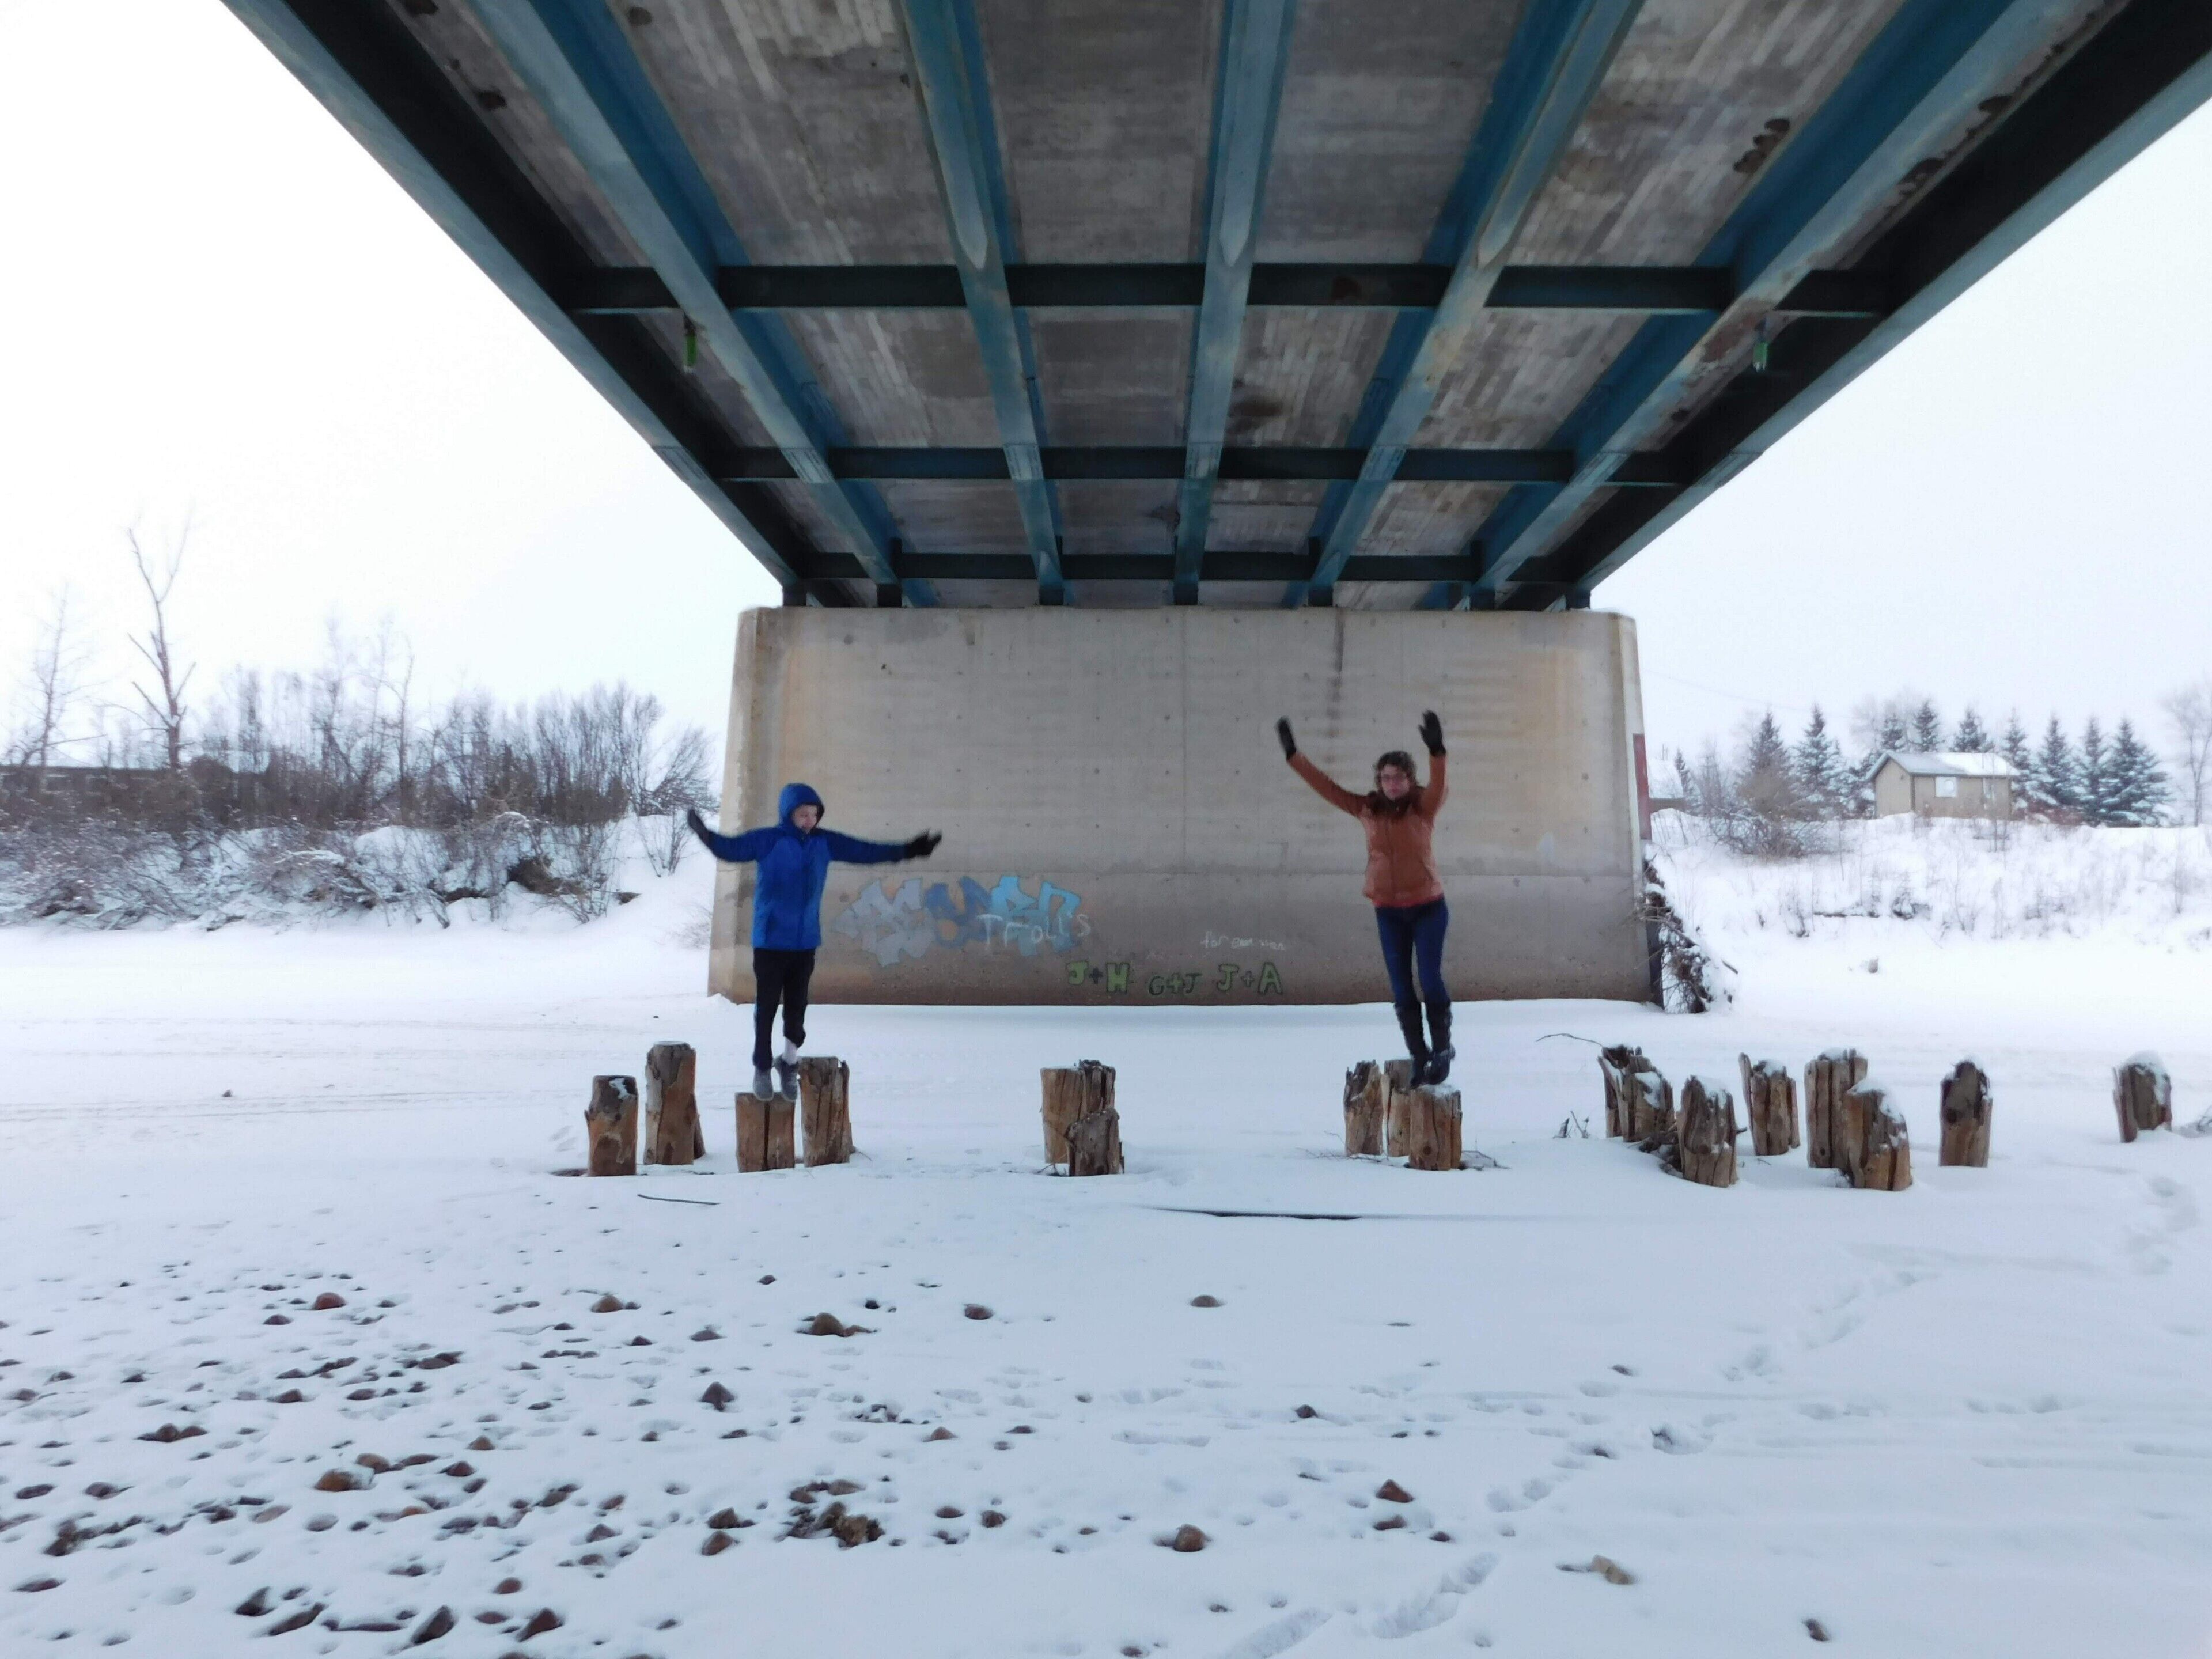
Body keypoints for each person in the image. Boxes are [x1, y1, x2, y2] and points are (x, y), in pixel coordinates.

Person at [688, 786, 941, 1100]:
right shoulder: (770, 840)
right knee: (766, 1007)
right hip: (770, 940)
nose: (810, 820)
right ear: (789, 813)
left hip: (805, 941)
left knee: (797, 1007)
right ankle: (762, 1067)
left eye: (814, 814)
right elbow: (732, 849)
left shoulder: (825, 842)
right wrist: (707, 836)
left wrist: (908, 850)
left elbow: (866, 851)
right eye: (803, 814)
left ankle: (789, 1062)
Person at [1276, 710, 1455, 1084]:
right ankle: (1418, 1055)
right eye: (1386, 777)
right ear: (1379, 781)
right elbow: (1327, 788)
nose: (1392, 783)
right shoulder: (1367, 810)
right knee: (1402, 988)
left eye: (1399, 777)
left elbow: (1439, 785)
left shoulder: (1424, 807)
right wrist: (1295, 755)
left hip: (1428, 908)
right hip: (1388, 911)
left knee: (1430, 980)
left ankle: (1442, 1049)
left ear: (1409, 779)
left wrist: (1437, 750)